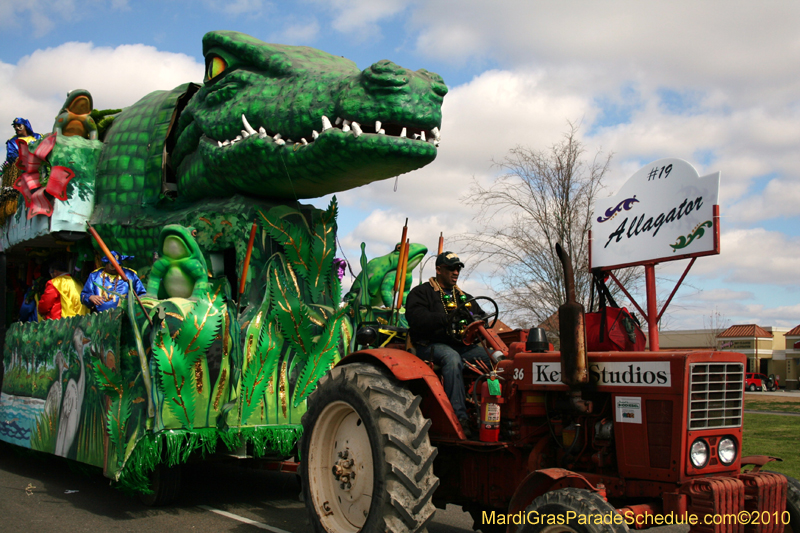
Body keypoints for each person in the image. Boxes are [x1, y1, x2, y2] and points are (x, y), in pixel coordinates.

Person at [405, 251, 491, 437]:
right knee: (451, 358)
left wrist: (481, 321)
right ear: (438, 269)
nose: (456, 272)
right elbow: (416, 318)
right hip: (429, 345)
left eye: (458, 268)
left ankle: (489, 412)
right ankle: (460, 418)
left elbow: (481, 316)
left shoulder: (464, 297)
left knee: (492, 358)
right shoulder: (421, 293)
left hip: (461, 346)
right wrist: (445, 319)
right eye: (451, 268)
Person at [81, 251, 146, 313]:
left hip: (125, 316)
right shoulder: (95, 276)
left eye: (118, 265)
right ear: (106, 264)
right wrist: (90, 297)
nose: (116, 268)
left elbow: (142, 294)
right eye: (112, 266)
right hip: (101, 317)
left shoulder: (130, 275)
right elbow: (83, 296)